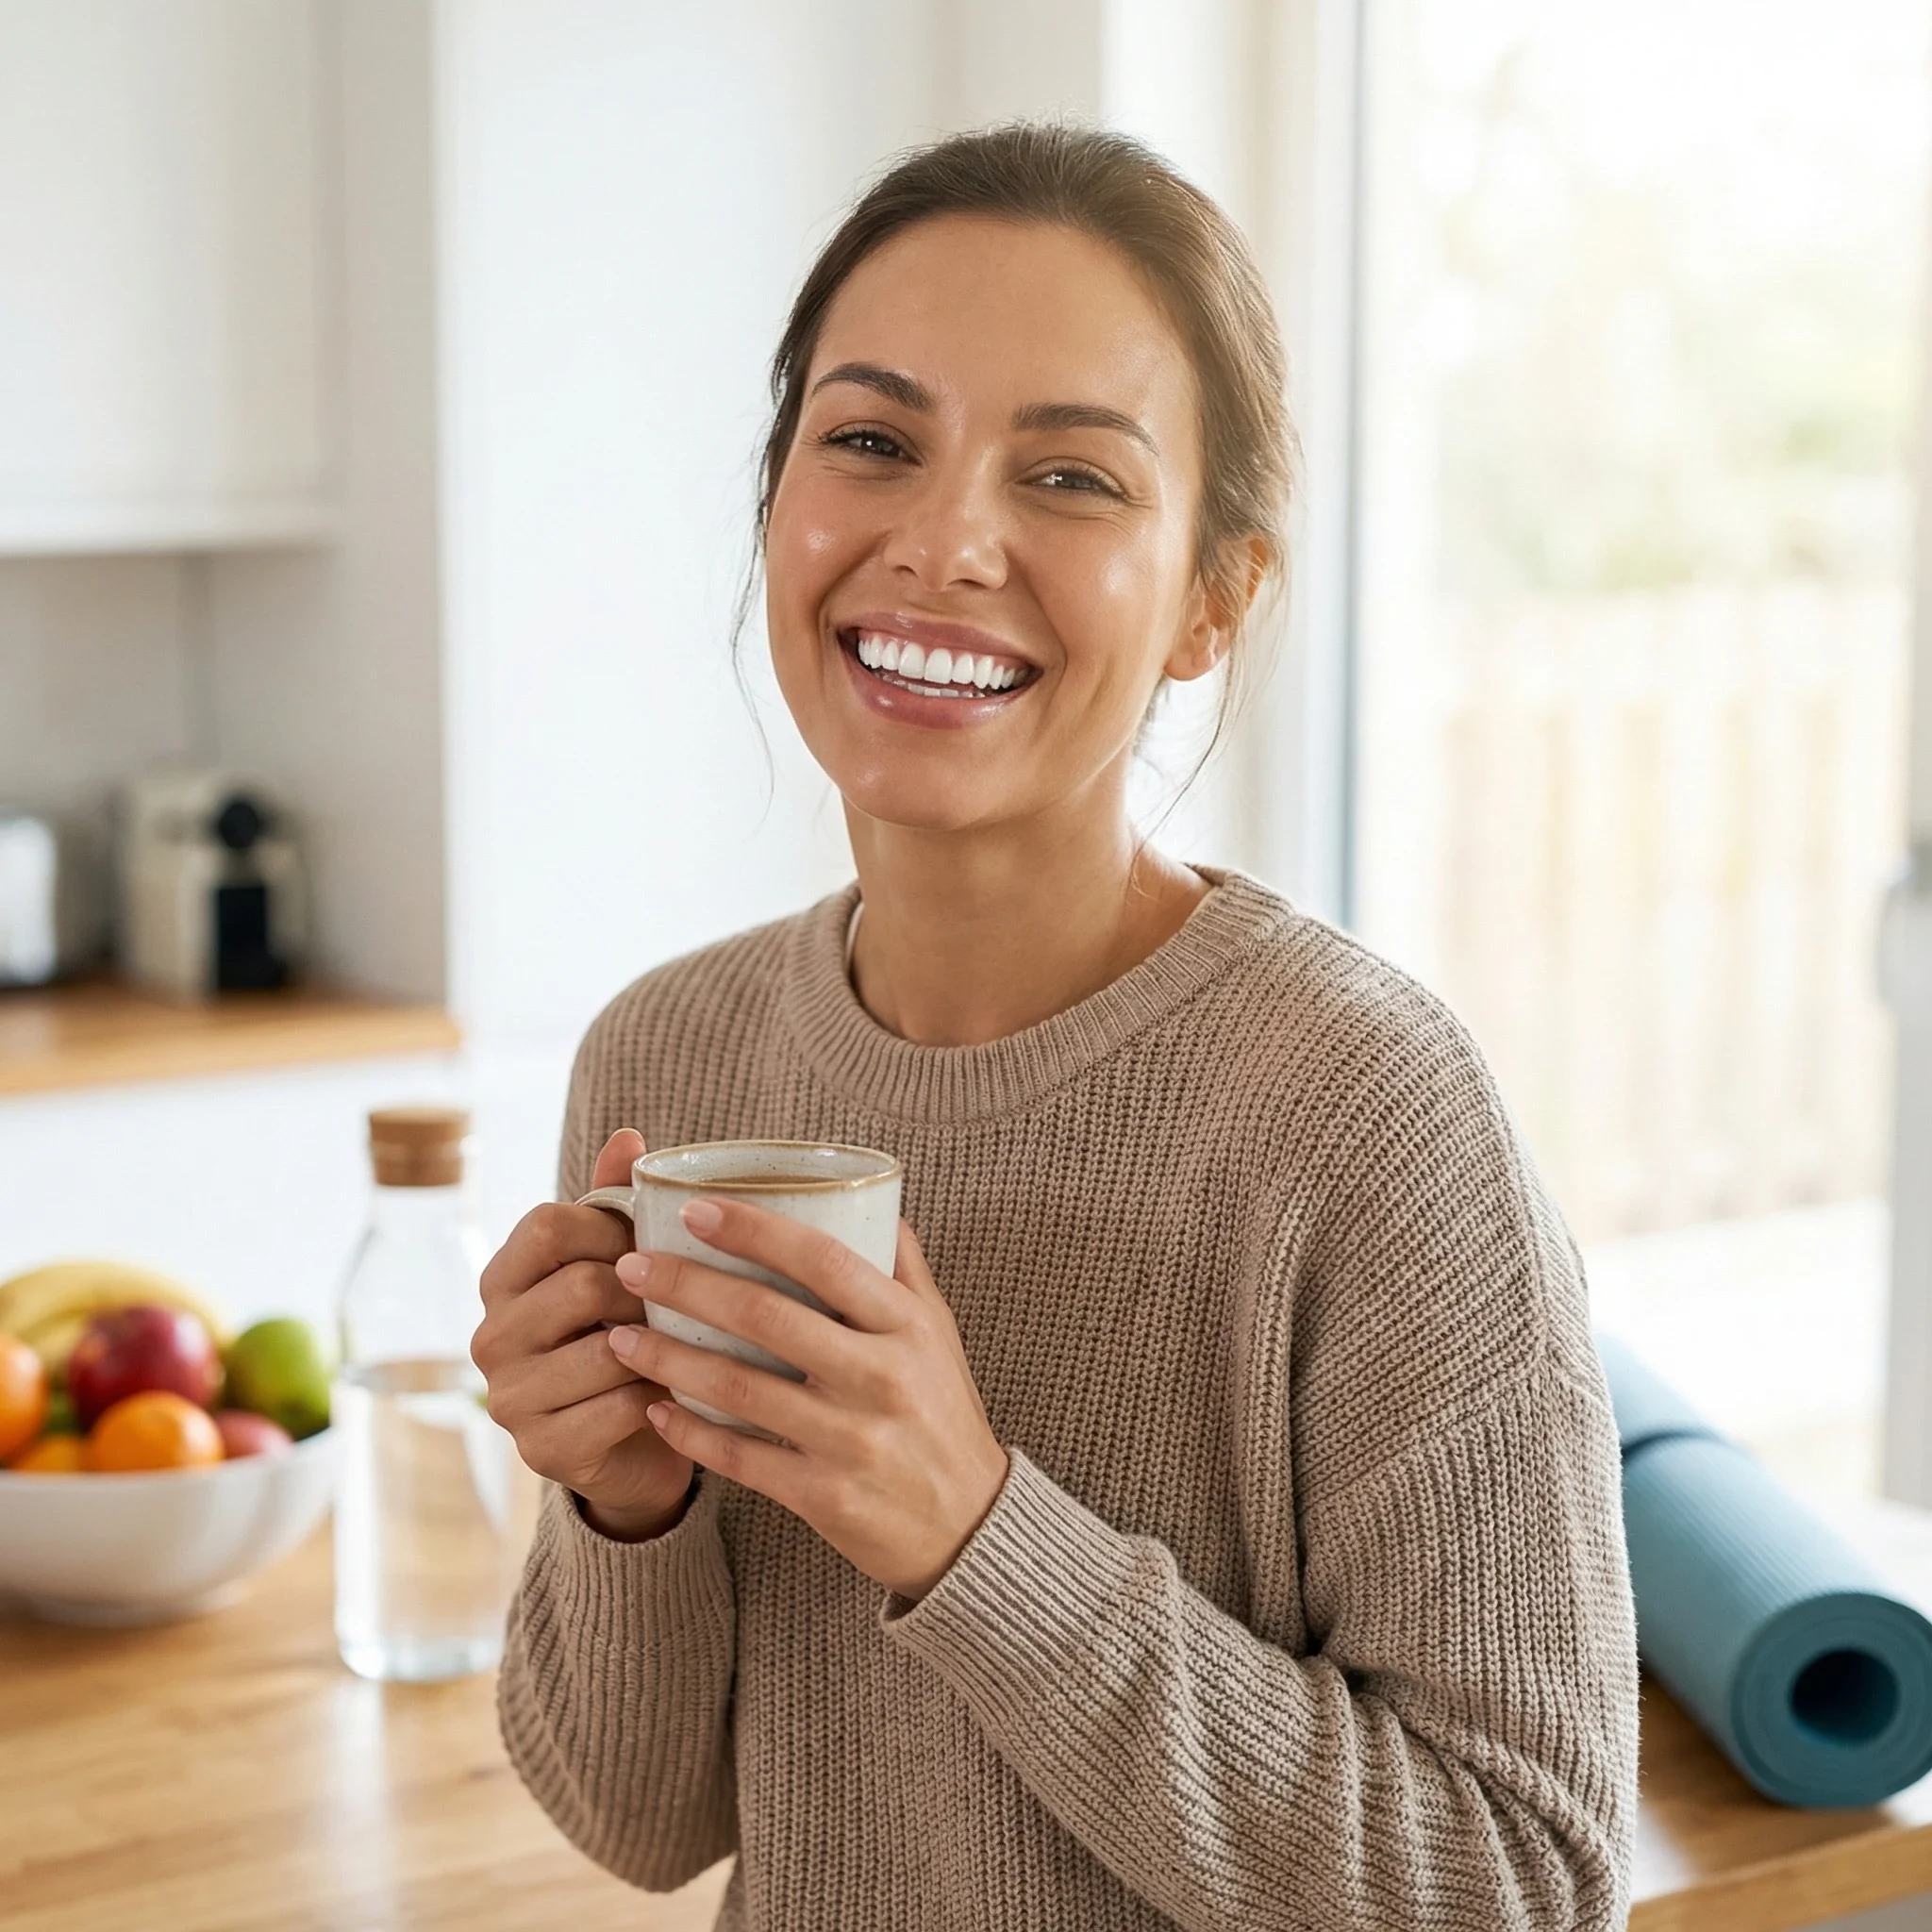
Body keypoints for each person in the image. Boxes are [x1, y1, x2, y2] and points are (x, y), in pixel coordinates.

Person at [472, 124, 1639, 1932]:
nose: (941, 545)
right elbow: (637, 1824)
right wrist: (628, 1507)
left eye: (1074, 479)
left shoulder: (1367, 1116)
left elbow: (1522, 1886)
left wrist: (972, 1532)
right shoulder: (665, 1063)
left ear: (1211, 601)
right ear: (779, 501)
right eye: (870, 442)